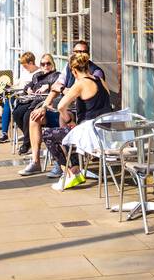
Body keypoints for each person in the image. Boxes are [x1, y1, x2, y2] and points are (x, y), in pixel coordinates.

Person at [41, 51, 114, 192]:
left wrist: (69, 120)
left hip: (90, 133)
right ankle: (75, 171)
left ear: (73, 70)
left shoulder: (80, 84)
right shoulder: (100, 80)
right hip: (105, 131)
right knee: (67, 134)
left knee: (48, 135)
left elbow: (61, 106)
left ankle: (70, 172)